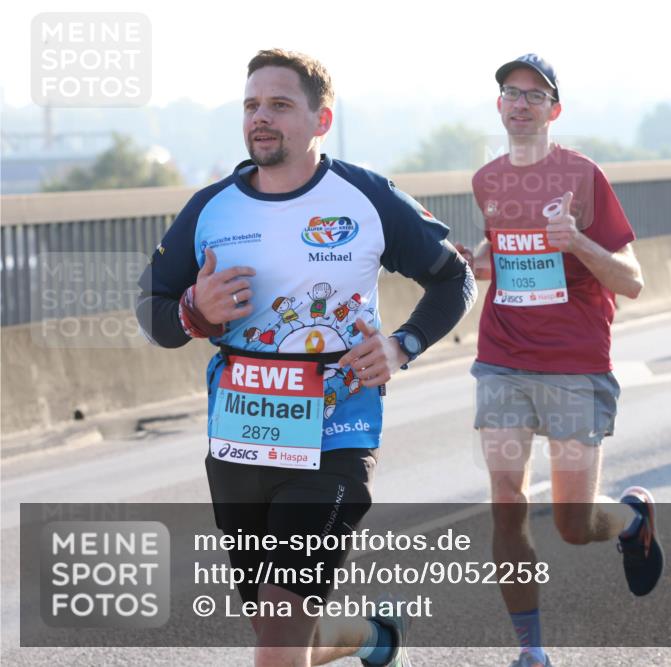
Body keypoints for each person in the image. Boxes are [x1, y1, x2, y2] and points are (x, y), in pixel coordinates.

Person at [136, 49, 476, 667]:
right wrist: (194, 309)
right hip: (241, 439)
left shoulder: (366, 197)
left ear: (321, 120)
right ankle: (367, 638)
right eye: (251, 106)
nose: (260, 118)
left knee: (282, 635)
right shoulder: (212, 209)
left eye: (280, 105)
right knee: (279, 635)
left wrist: (402, 345)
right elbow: (152, 311)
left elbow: (455, 279)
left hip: (336, 434)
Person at [455, 54, 663, 667]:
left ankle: (630, 521)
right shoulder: (487, 180)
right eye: (509, 94)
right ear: (499, 106)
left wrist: (577, 241)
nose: (520, 104)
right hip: (502, 356)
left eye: (534, 95)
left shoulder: (583, 176)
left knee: (573, 523)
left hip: (575, 362)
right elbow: (509, 256)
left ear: (554, 109)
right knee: (507, 500)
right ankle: (531, 651)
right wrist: (482, 263)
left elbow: (632, 281)